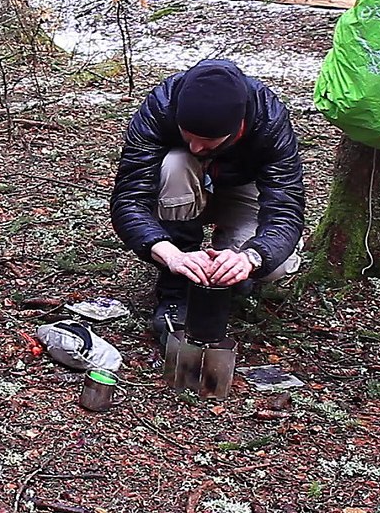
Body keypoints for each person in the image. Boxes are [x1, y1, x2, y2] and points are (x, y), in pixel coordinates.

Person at [110, 59, 304, 346]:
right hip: (181, 187)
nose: (196, 147)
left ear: (238, 127)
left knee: (273, 263)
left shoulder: (269, 120)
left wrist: (250, 258)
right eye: (188, 135)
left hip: (241, 188)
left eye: (208, 141)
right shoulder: (160, 106)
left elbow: (286, 210)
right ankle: (176, 291)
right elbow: (129, 199)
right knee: (177, 161)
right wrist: (172, 255)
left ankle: (232, 278)